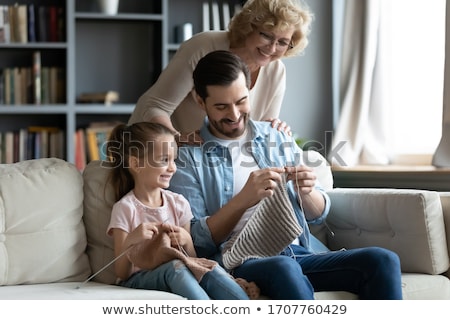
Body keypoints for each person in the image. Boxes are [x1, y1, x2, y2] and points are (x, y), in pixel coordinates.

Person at [169, 50, 403, 299]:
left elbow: (318, 214)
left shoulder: (276, 136)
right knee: (284, 266)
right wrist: (245, 198)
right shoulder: (188, 159)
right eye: (221, 106)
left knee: (382, 260)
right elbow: (195, 241)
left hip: (298, 251)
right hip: (241, 260)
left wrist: (308, 192)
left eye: (241, 101)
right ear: (200, 100)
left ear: (249, 89)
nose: (235, 115)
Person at [105, 121, 254, 300]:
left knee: (209, 268)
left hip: (179, 268)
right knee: (176, 267)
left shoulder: (178, 203)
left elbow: (191, 260)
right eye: (164, 160)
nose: (172, 167)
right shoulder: (125, 208)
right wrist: (131, 241)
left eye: (173, 160)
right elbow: (122, 272)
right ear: (136, 164)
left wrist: (187, 242)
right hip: (137, 279)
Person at [129, 0, 313, 143]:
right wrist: (177, 140)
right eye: (266, 35)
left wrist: (275, 128)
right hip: (159, 147)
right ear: (249, 27)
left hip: (212, 158)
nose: (272, 48)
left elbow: (259, 131)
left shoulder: (276, 71)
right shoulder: (203, 46)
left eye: (282, 42)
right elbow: (155, 107)